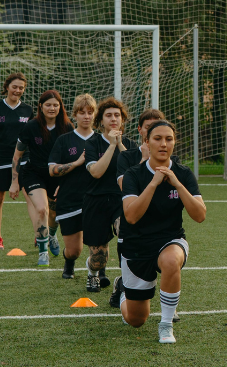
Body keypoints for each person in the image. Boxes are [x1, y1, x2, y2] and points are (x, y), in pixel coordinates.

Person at [110, 120, 206, 344]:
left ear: (174, 143)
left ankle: (166, 324)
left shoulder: (183, 173)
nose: (164, 144)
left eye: (169, 139)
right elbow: (131, 216)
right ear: (147, 142)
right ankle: (124, 288)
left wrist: (177, 185)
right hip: (136, 245)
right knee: (136, 319)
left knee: (172, 260)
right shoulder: (133, 174)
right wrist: (153, 184)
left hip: (169, 240)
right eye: (157, 138)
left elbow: (200, 215)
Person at [79, 97, 134, 292]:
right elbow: (96, 172)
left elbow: (134, 172)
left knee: (125, 233)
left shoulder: (129, 144)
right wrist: (111, 145)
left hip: (121, 200)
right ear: (100, 121)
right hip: (96, 200)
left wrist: (119, 144)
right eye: (108, 115)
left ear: (122, 120)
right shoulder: (93, 143)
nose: (113, 119)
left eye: (117, 115)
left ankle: (126, 278)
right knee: (98, 258)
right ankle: (93, 274)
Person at [12, 90, 71, 263]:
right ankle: (43, 252)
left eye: (55, 105)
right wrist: (14, 182)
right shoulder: (31, 126)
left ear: (60, 107)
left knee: (55, 214)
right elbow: (17, 156)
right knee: (42, 209)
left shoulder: (67, 128)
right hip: (34, 174)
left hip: (58, 176)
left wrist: (66, 181)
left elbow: (71, 158)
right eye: (48, 105)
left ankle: (52, 235)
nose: (52, 108)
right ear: (41, 107)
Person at [0, 73, 33, 250]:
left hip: (24, 161)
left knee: (31, 196)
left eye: (21, 88)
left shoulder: (28, 110)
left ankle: (38, 235)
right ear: (7, 87)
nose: (17, 91)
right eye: (14, 87)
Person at [47, 94, 97, 271]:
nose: (86, 116)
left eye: (90, 112)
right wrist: (76, 163)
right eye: (82, 112)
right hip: (69, 200)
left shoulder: (100, 141)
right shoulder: (64, 140)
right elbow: (52, 170)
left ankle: (99, 271)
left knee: (98, 247)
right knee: (75, 250)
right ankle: (69, 261)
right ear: (75, 115)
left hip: (95, 201)